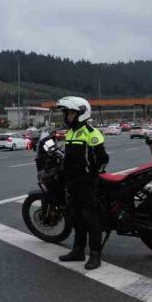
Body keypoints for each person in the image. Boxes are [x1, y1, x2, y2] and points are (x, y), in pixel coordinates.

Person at [55, 96, 109, 270]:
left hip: (86, 183)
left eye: (71, 113)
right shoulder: (71, 132)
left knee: (90, 218)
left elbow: (103, 159)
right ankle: (78, 250)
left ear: (82, 114)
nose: (68, 116)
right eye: (67, 113)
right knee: (75, 216)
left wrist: (91, 174)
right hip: (72, 182)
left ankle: (95, 254)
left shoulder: (91, 133)